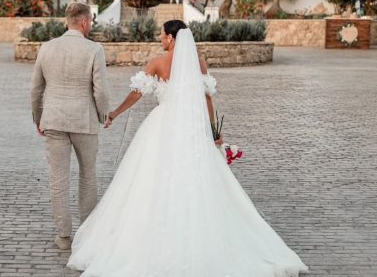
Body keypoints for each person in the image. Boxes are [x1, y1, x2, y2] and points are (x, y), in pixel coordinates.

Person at [67, 19, 309, 276]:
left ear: (171, 39)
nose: (160, 39)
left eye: (161, 35)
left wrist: (114, 112)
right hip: (192, 129)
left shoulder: (158, 63)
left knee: (150, 179)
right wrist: (215, 131)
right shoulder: (199, 63)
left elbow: (138, 93)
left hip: (162, 126)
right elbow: (206, 99)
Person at [30, 3, 110, 250]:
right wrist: (103, 115)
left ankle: (64, 236)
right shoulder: (94, 49)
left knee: (58, 177)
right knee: (88, 174)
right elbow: (101, 91)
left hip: (53, 120)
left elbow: (35, 89)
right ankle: (86, 232)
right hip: (83, 120)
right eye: (91, 21)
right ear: (85, 21)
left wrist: (38, 118)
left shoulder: (47, 48)